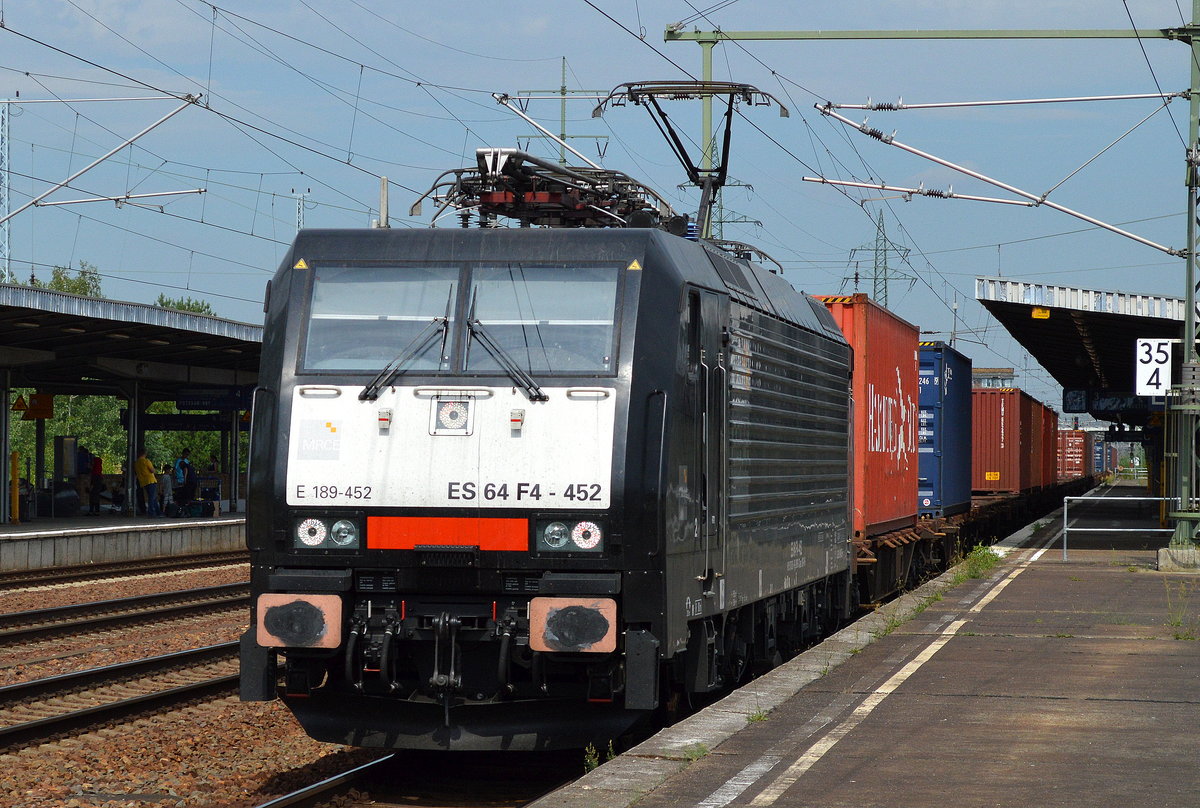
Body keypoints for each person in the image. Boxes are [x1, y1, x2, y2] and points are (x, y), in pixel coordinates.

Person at [134, 448, 161, 517]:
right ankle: (151, 513)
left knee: (153, 497)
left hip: (143, 482)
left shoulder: (136, 463)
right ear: (145, 453)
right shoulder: (146, 461)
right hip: (151, 480)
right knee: (152, 497)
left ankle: (158, 512)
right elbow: (152, 470)